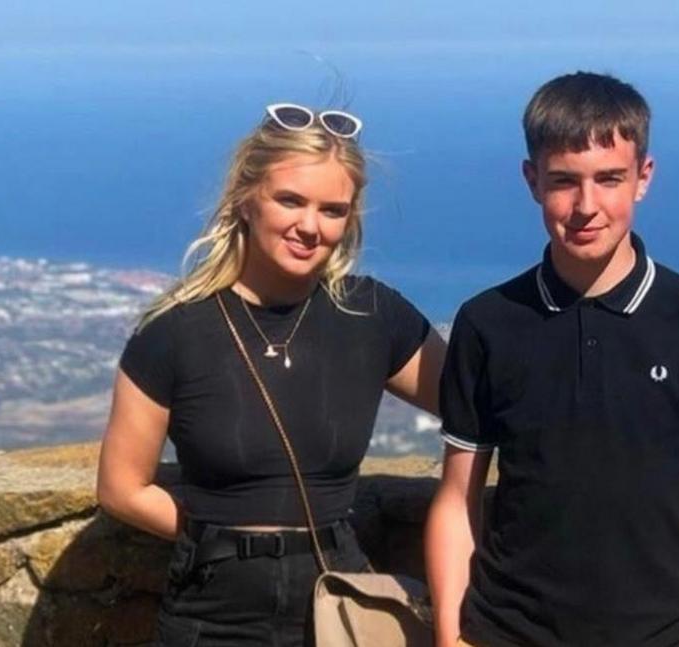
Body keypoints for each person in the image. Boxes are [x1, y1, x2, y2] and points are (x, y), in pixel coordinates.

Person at [425, 72, 679, 647]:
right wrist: (452, 639)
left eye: (609, 179)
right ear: (532, 180)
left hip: (660, 635)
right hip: (507, 633)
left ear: (643, 178)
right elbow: (457, 499)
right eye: (564, 181)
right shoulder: (489, 322)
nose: (587, 206)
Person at [97, 102, 446, 646]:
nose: (310, 226)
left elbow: (478, 405)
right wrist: (215, 534)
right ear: (245, 199)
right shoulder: (176, 333)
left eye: (332, 210)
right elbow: (121, 488)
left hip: (337, 600)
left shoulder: (373, 317)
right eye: (290, 200)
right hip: (212, 613)